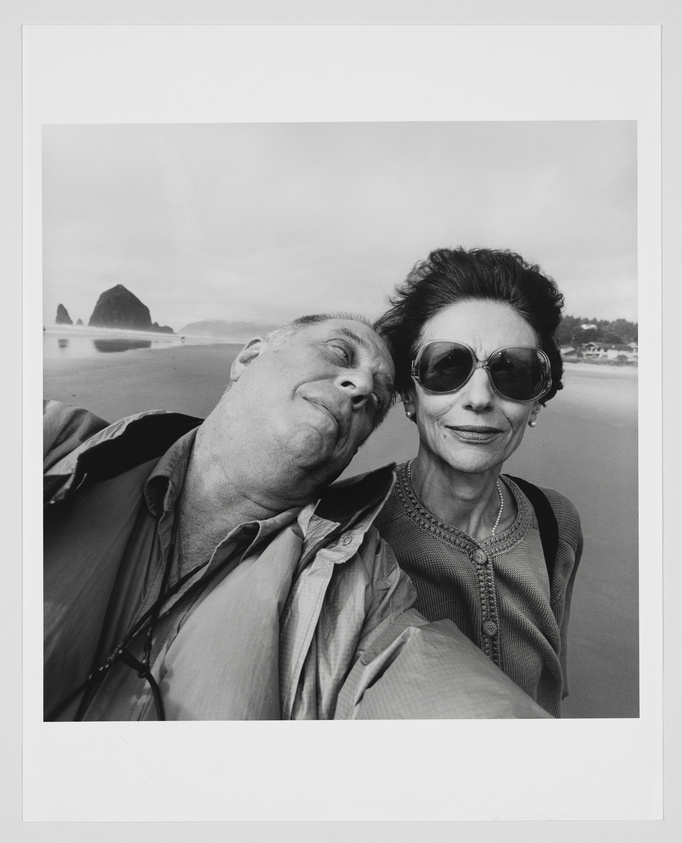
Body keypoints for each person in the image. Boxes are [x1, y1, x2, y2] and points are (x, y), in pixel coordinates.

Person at [44, 313, 551, 721]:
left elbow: (422, 679)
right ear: (249, 356)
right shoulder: (53, 446)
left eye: (374, 400)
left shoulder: (360, 588)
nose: (357, 387)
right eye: (339, 353)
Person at [373, 249, 583, 717]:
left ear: (538, 404)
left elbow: (550, 693)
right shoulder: (355, 529)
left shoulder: (556, 524)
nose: (480, 398)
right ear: (409, 394)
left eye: (513, 372)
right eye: (447, 366)